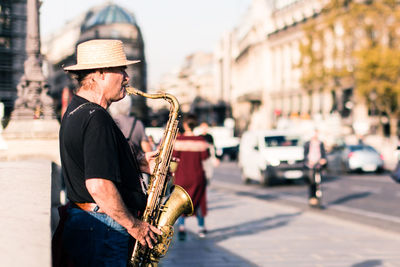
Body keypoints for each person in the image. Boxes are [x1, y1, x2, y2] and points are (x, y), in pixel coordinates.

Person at [57, 39, 162, 266]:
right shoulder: (97, 118)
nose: (127, 77)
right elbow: (98, 185)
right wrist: (135, 226)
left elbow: (88, 163)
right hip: (103, 227)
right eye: (121, 70)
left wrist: (140, 164)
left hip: (89, 224)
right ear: (101, 73)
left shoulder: (76, 110)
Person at [172, 114, 209, 240]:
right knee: (199, 201)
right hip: (197, 176)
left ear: (185, 125)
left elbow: (174, 158)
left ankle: (182, 228)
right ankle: (201, 228)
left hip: (182, 176)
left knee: (181, 202)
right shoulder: (201, 141)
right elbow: (205, 157)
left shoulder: (179, 140)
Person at [303, 129, 327, 207]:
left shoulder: (320, 143)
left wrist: (323, 160)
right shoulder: (307, 143)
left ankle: (318, 199)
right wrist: (309, 161)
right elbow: (305, 155)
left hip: (318, 164)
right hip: (310, 165)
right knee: (312, 182)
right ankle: (312, 197)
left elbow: (323, 153)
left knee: (319, 181)